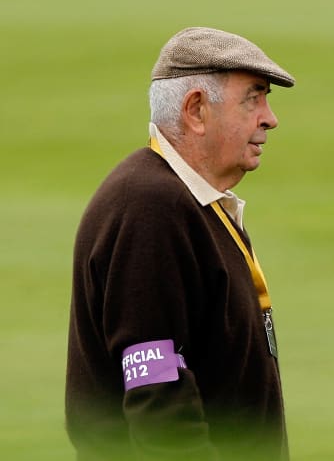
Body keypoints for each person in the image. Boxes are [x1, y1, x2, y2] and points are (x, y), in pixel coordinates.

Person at [66, 27, 296, 460]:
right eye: (253, 97)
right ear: (196, 110)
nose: (269, 117)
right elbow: (158, 400)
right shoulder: (150, 208)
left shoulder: (192, 203)